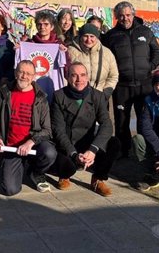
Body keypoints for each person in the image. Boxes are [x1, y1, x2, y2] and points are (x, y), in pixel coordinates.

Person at [0, 60, 57, 195]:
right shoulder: (4, 93)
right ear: (15, 73)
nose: (24, 76)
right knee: (10, 190)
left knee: (50, 153)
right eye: (21, 72)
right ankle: (14, 167)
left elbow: (47, 130)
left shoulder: (41, 97)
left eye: (28, 73)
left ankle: (35, 172)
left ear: (34, 76)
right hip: (11, 147)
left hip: (33, 146)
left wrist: (31, 142)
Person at [50, 62, 120, 195]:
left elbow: (107, 124)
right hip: (67, 145)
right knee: (67, 167)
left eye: (82, 75)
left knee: (114, 143)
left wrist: (93, 149)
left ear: (87, 77)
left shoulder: (97, 96)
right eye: (74, 75)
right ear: (67, 77)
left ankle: (98, 179)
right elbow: (58, 130)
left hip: (88, 143)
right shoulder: (59, 96)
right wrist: (74, 154)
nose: (79, 80)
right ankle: (65, 175)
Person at [103, 1, 159, 157]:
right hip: (122, 86)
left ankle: (144, 150)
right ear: (116, 17)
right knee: (121, 121)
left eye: (128, 15)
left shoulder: (146, 31)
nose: (125, 18)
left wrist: (151, 66)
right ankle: (123, 150)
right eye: (121, 16)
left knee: (145, 120)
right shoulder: (111, 36)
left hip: (145, 85)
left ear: (133, 14)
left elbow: (156, 51)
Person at [67, 23, 118, 101]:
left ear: (97, 37)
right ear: (80, 37)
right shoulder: (70, 51)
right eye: (85, 36)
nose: (89, 40)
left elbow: (113, 76)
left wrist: (106, 92)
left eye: (92, 36)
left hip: (100, 97)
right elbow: (64, 75)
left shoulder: (107, 53)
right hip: (75, 98)